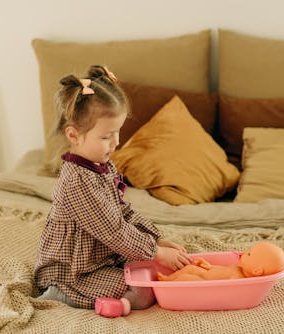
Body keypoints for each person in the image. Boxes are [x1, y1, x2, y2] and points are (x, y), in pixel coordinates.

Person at [34, 65, 191, 317]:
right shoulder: (77, 182)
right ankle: (59, 293)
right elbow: (114, 231)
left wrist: (156, 238)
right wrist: (156, 252)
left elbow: (122, 210)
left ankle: (122, 283)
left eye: (118, 132)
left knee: (154, 271)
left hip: (101, 258)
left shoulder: (103, 165)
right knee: (144, 290)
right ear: (74, 135)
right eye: (107, 136)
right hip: (73, 271)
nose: (117, 142)